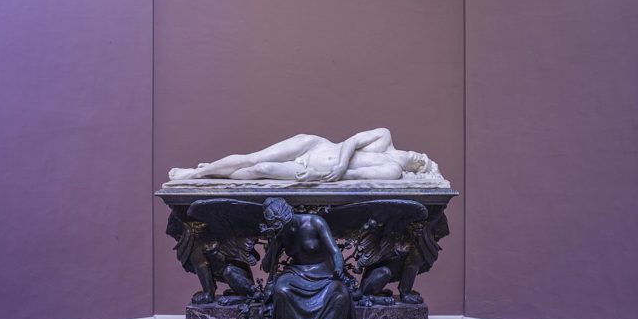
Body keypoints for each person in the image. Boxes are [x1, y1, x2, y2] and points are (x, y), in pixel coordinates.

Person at [261, 197, 357, 319]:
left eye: (288, 226)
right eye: (282, 229)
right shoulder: (281, 232)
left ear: (290, 216)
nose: (289, 231)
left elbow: (335, 252)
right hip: (295, 273)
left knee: (340, 296)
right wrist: (274, 243)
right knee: (281, 291)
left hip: (323, 272)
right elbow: (267, 267)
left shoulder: (315, 222)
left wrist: (338, 269)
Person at [168, 128, 437, 182]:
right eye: (423, 156)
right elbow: (351, 141)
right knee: (253, 157)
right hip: (315, 146)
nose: (419, 157)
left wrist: (318, 175)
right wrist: (341, 162)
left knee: (259, 169)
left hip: (313, 173)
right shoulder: (385, 136)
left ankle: (216, 174)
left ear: (417, 171)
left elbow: (352, 176)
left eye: (423, 164)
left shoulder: (392, 171)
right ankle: (197, 172)